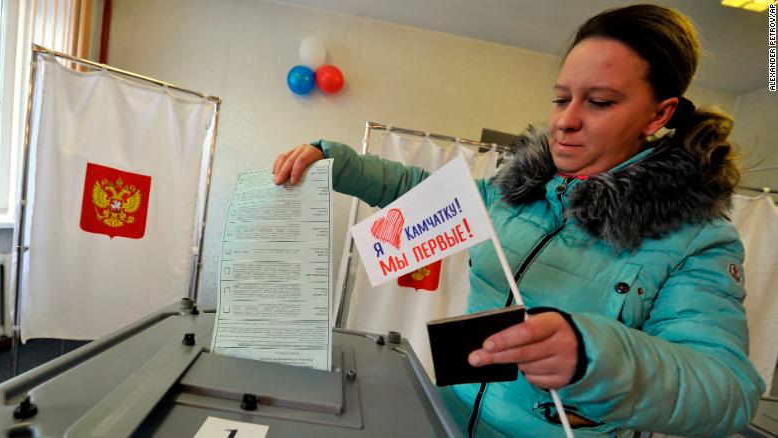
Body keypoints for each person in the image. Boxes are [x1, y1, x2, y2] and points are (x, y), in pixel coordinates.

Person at [272, 4, 765, 436]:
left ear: (659, 115)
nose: (565, 121)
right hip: (443, 417)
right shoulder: (517, 193)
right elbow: (422, 196)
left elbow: (727, 390)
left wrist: (595, 355)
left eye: (599, 102)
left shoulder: (696, 239)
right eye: (560, 98)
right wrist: (335, 159)